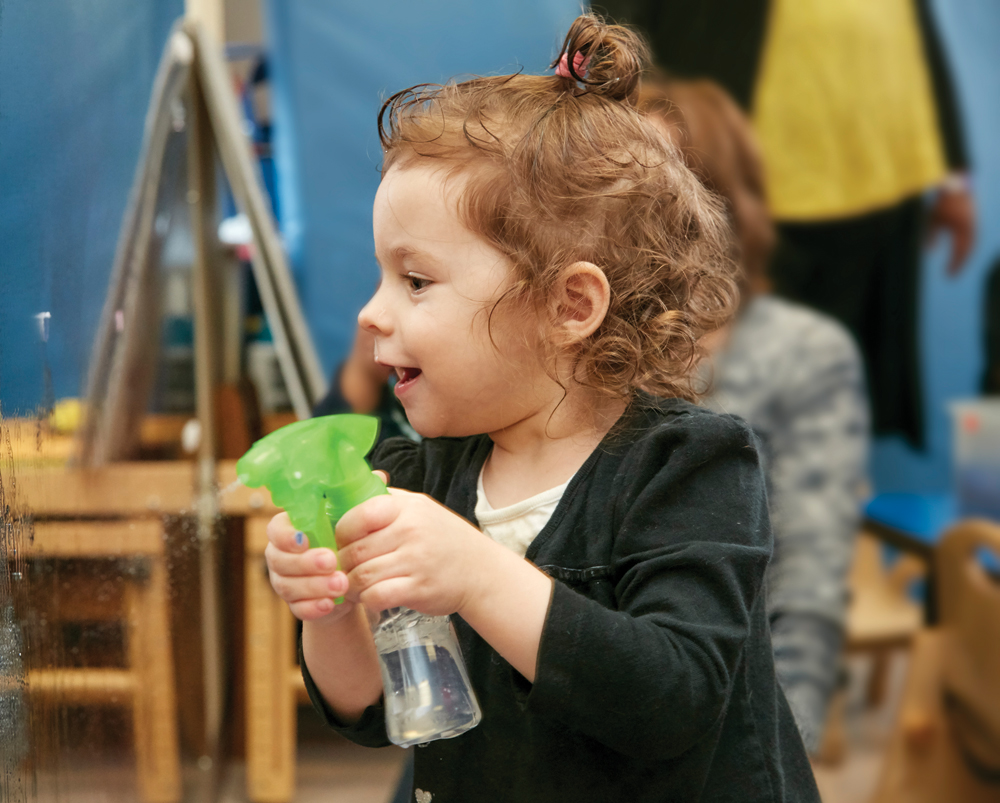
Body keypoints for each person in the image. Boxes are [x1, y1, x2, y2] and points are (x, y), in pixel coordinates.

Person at [264, 14, 819, 802]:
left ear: (568, 305)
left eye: (415, 281)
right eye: (381, 276)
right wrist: (328, 609)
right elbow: (378, 709)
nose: (370, 314)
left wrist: (473, 572)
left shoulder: (691, 465)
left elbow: (673, 699)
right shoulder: (416, 477)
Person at [602, 0, 975, 449]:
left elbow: (917, 33)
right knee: (700, 372)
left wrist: (954, 179)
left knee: (828, 391)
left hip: (876, 183)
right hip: (744, 180)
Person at [640, 78, 870, 754]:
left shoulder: (803, 352)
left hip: (721, 722)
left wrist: (777, 761)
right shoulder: (569, 348)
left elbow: (808, 585)